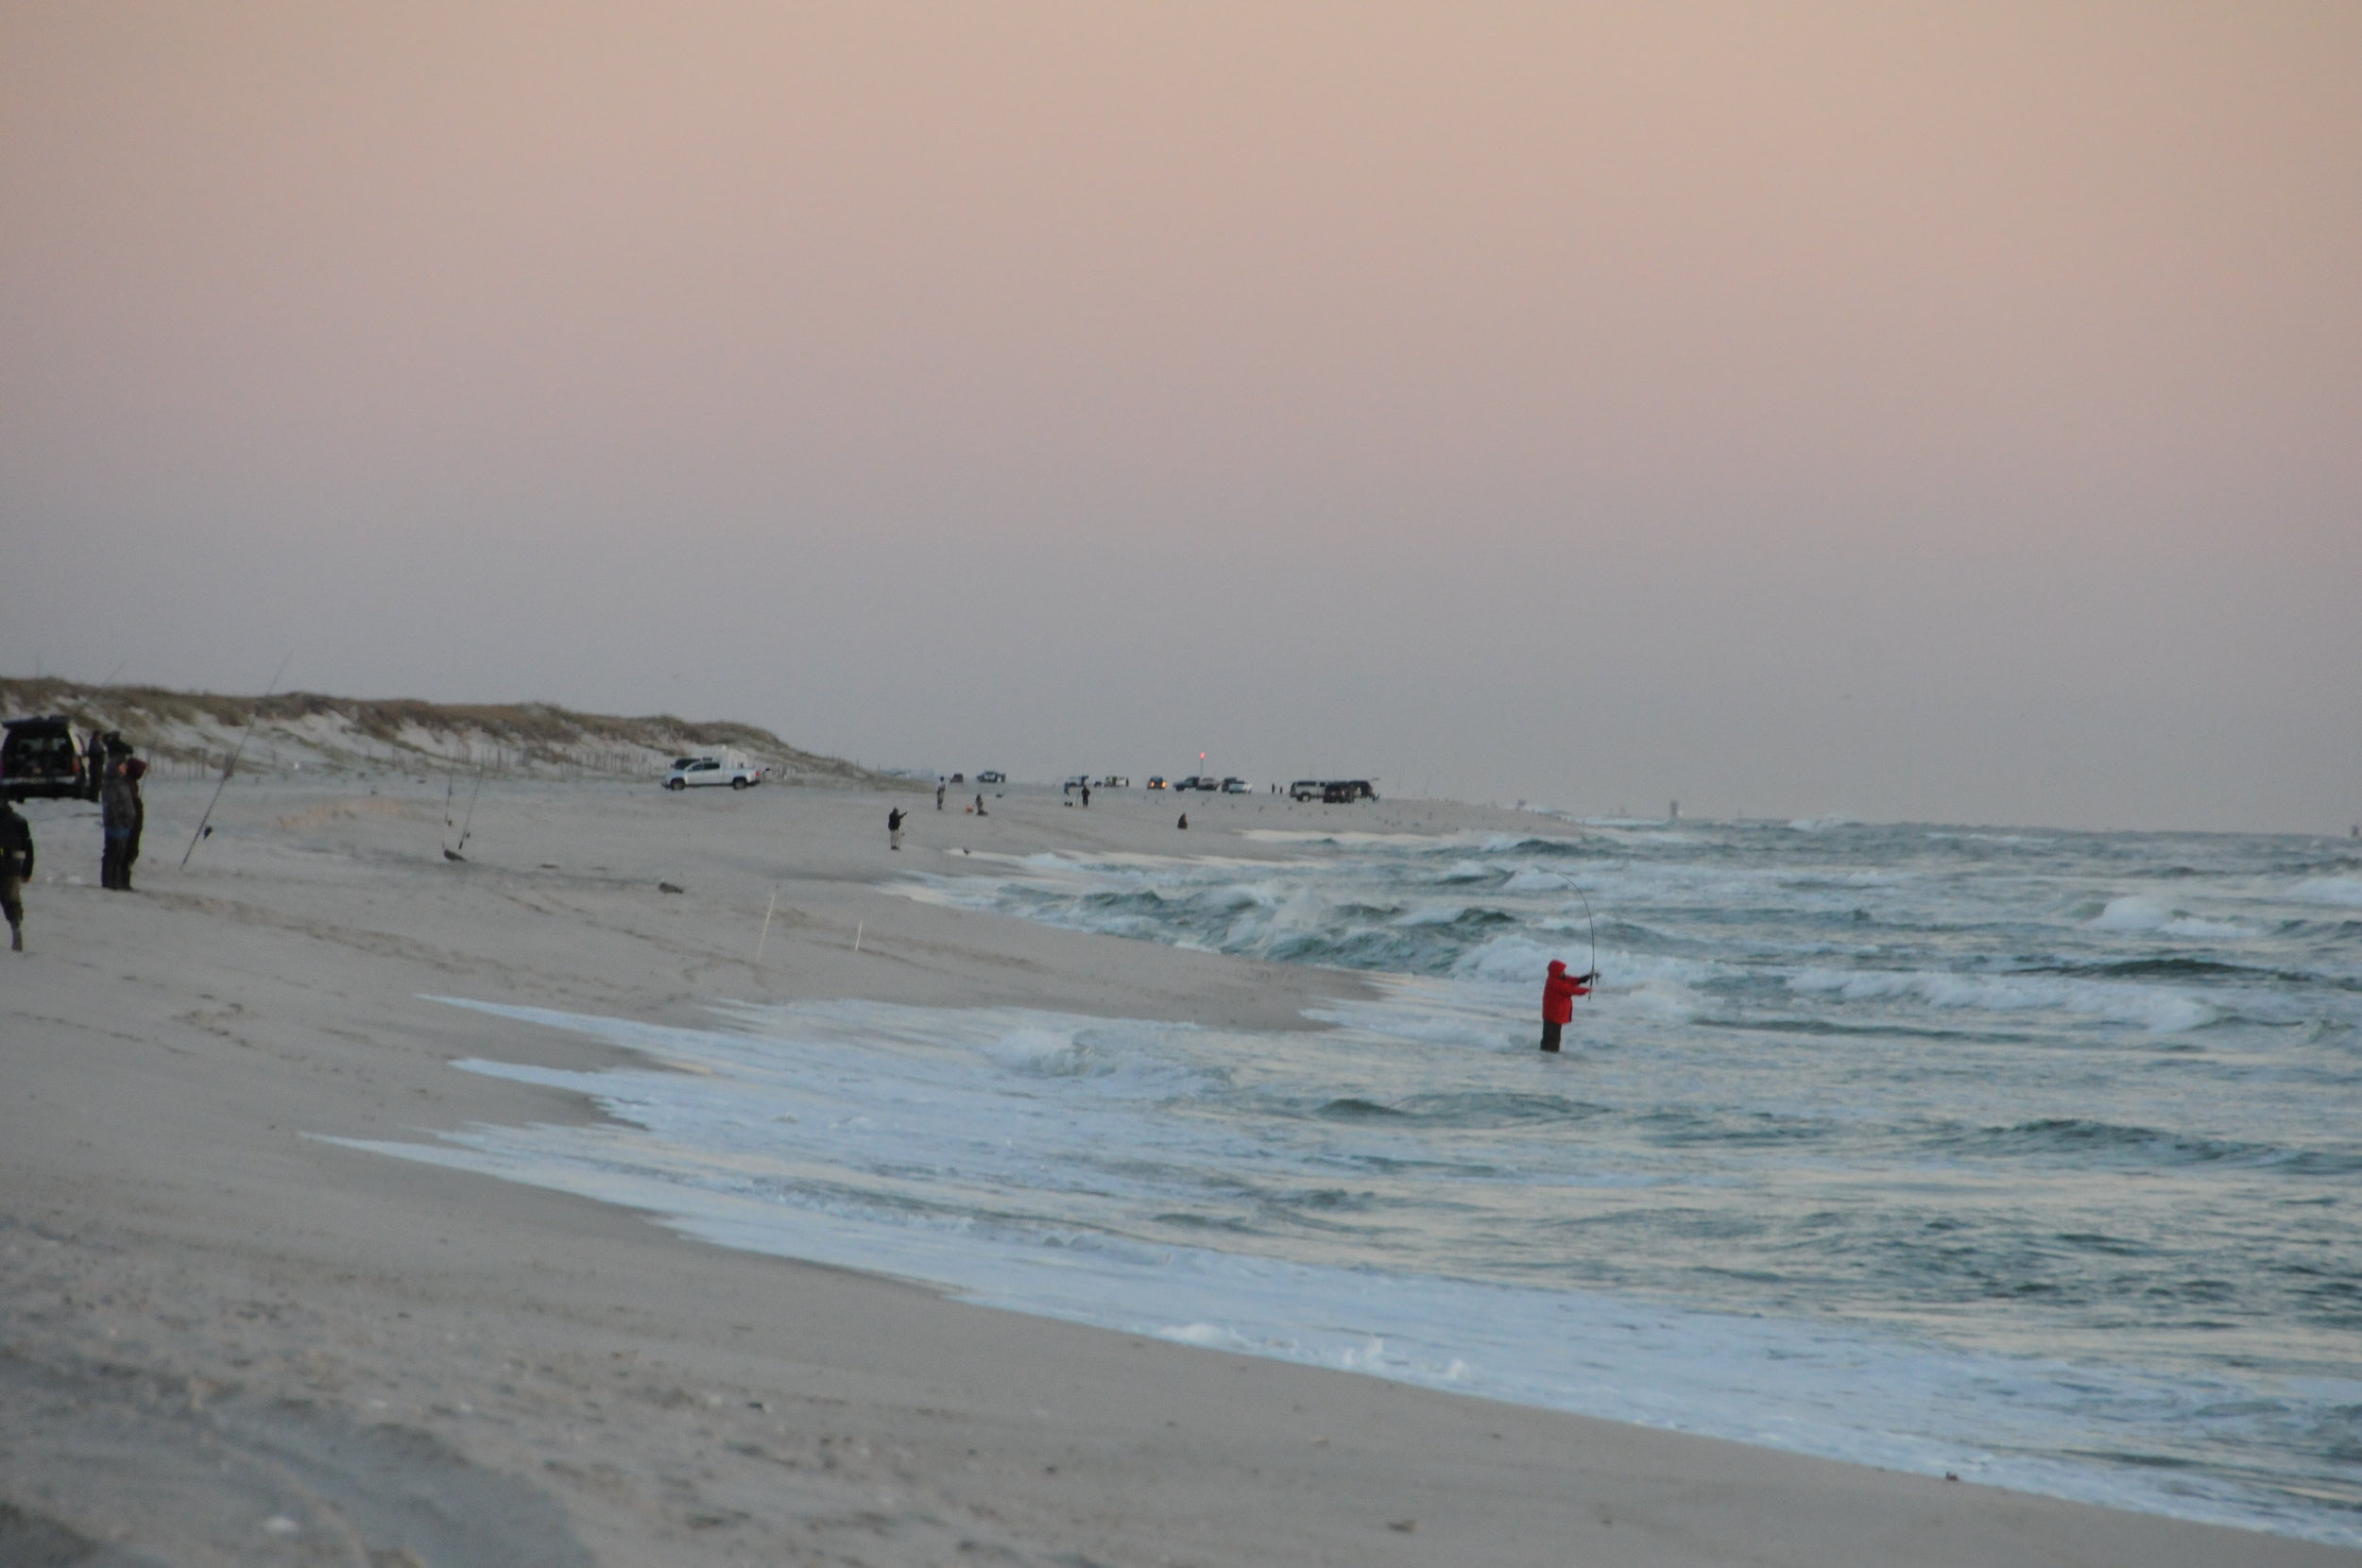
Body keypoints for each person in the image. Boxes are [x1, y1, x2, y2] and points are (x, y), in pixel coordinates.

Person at [101, 757, 145, 891]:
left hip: (125, 823)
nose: (124, 768)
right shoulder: (115, 783)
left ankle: (118, 881)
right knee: (115, 853)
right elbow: (113, 804)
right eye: (122, 766)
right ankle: (112, 881)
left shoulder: (124, 783)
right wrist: (119, 820)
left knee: (121, 852)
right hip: (118, 824)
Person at [1539, 959, 1595, 1052]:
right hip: (1553, 1016)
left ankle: (1545, 1058)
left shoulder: (1558, 978)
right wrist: (1587, 990)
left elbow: (1574, 981)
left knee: (1550, 1039)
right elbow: (1570, 990)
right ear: (1557, 972)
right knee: (1553, 1041)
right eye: (1562, 971)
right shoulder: (1555, 982)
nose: (1563, 972)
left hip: (1554, 1015)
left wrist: (1588, 977)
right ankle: (1549, 1062)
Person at [0, 798, 32, 951]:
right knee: (12, 902)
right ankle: (16, 928)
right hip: (12, 867)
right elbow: (28, 846)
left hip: (9, 865)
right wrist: (27, 870)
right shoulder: (18, 820)